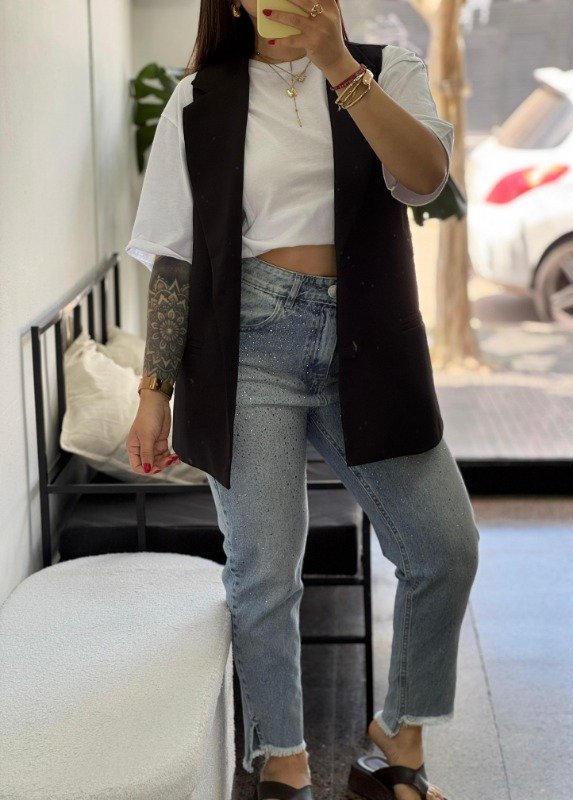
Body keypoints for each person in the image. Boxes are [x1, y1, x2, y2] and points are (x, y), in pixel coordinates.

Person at [126, 2, 480, 799]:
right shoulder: (200, 98)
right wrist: (154, 390)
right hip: (248, 345)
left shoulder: (386, 68)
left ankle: (397, 741)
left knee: (444, 548)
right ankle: (282, 763)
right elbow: (176, 258)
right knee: (264, 573)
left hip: (371, 339)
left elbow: (425, 179)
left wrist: (339, 68)